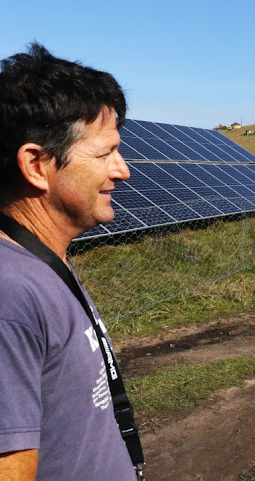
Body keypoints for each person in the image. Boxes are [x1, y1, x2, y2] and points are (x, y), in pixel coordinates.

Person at [0, 44, 143, 480]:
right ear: (37, 165)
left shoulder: (39, 262)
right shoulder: (10, 296)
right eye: (104, 154)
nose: (123, 170)